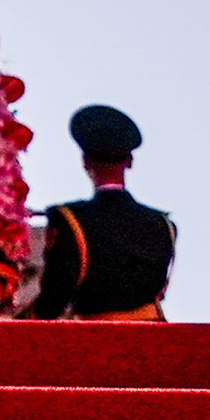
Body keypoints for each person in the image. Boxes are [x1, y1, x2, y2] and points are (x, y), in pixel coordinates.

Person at [27, 103, 177, 320]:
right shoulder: (163, 225)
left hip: (96, 335)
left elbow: (54, 299)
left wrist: (22, 322)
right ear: (130, 161)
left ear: (85, 162)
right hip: (155, 331)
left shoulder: (70, 220)